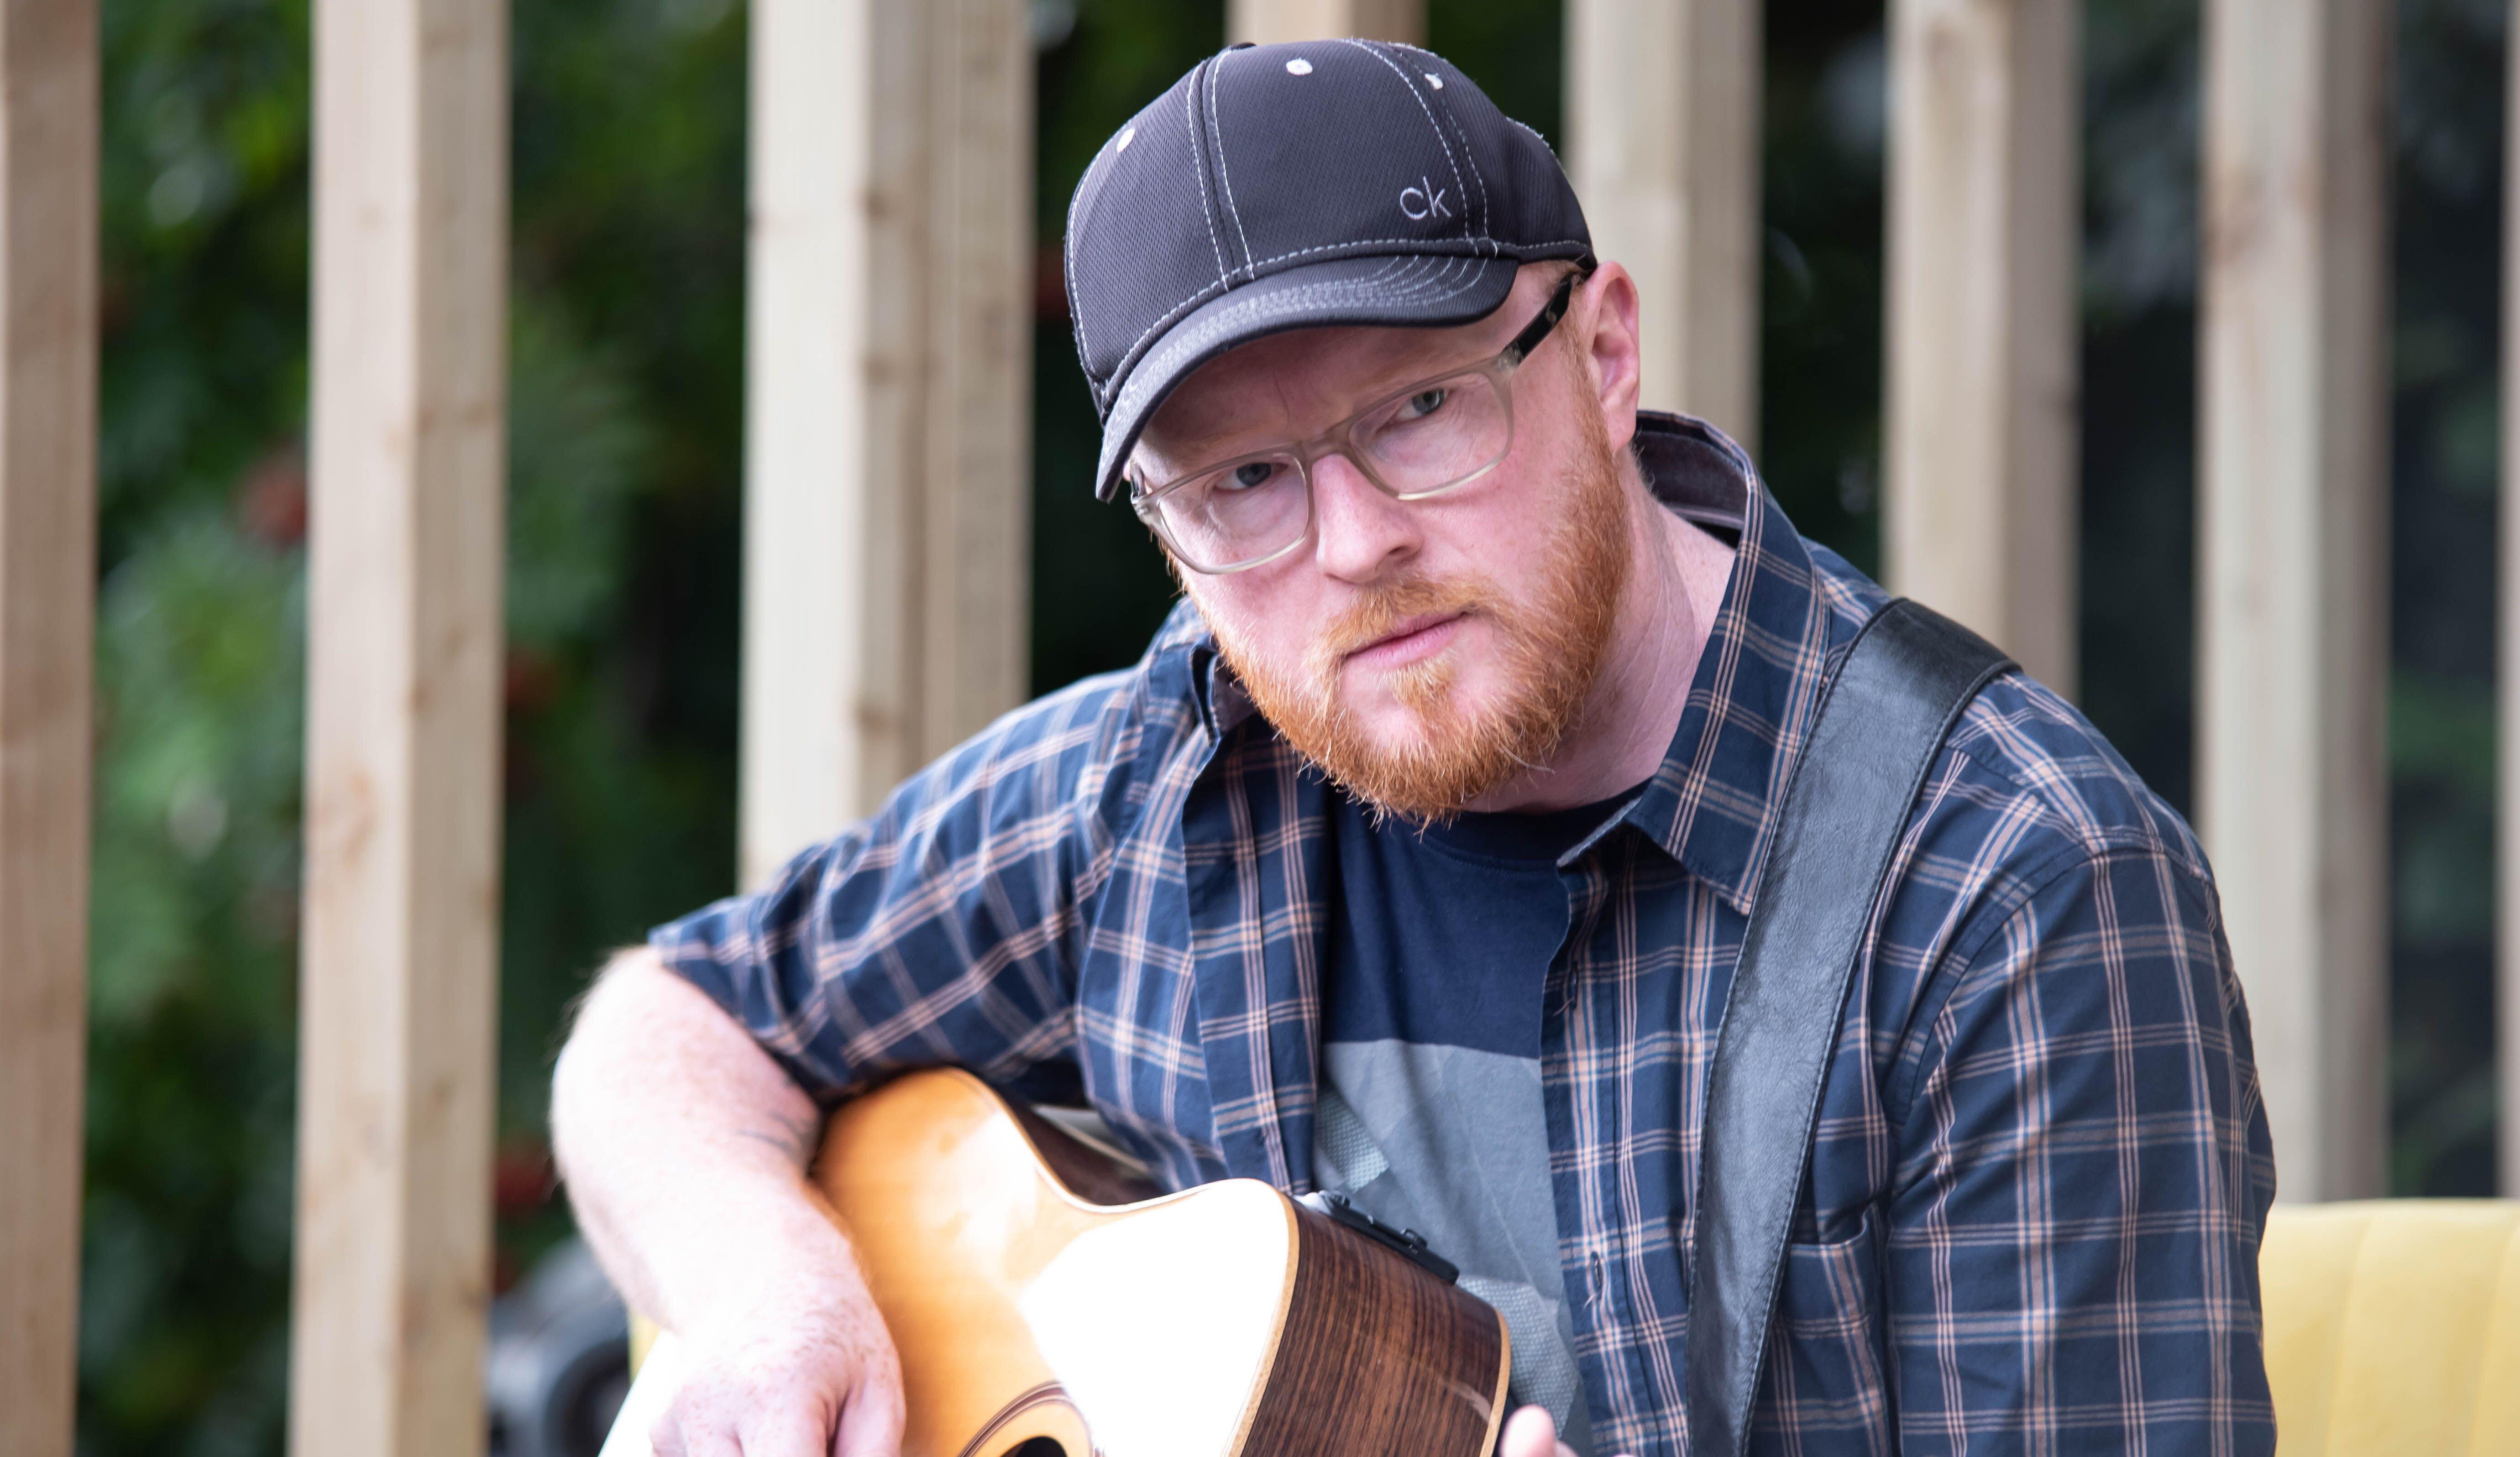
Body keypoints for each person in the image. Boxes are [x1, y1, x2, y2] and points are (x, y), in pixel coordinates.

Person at [552, 39, 2275, 1457]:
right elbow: (669, 1028)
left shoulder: (2011, 888)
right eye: (1242, 483)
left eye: (1419, 409)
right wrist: (769, 1293)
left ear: (1601, 349)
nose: (1352, 542)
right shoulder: (1149, 794)